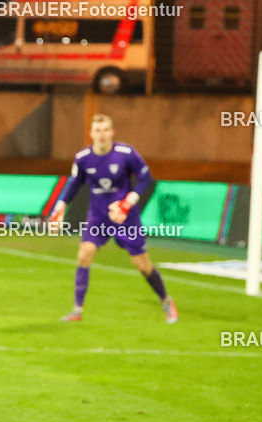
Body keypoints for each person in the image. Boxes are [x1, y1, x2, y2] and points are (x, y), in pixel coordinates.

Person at [48, 114, 177, 323]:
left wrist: (126, 203)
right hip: (98, 216)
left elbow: (145, 179)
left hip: (125, 217)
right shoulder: (83, 158)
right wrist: (60, 206)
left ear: (112, 132)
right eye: (97, 130)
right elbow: (74, 183)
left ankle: (166, 301)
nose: (102, 134)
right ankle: (77, 310)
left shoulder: (126, 154)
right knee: (84, 254)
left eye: (106, 130)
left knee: (142, 264)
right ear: (91, 134)